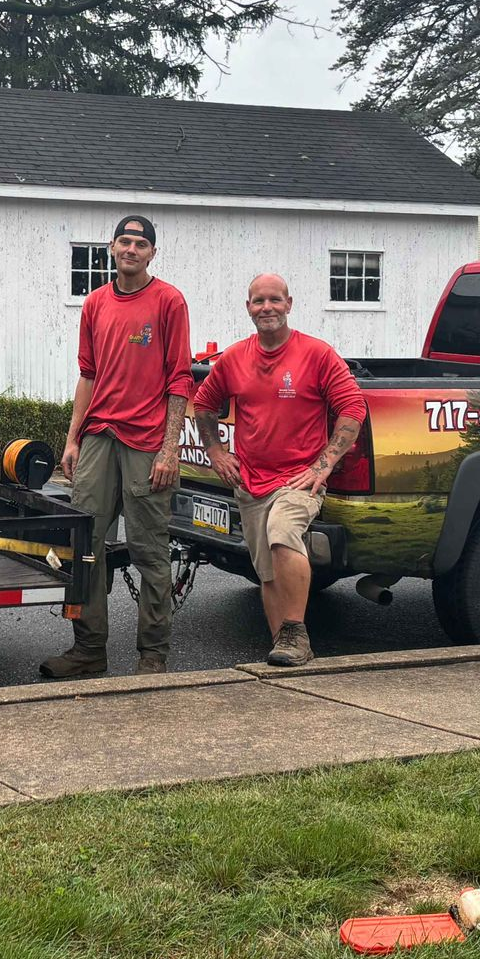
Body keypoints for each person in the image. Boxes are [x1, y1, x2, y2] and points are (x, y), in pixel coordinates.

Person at [43, 214, 193, 679]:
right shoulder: (95, 304)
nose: (131, 249)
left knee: (150, 552)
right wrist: (72, 439)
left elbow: (181, 379)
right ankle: (89, 650)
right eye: (123, 241)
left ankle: (153, 655)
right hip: (97, 438)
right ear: (111, 247)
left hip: (147, 443)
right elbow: (88, 374)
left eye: (140, 243)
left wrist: (171, 450)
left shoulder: (169, 301)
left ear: (152, 253)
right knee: (84, 544)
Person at [193, 273, 367, 667]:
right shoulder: (235, 358)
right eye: (258, 301)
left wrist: (324, 463)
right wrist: (217, 453)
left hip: (297, 479)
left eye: (274, 300)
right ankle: (284, 649)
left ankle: (296, 632)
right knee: (267, 573)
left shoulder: (317, 354)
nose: (266, 307)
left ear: (289, 304)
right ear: (248, 307)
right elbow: (204, 403)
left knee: (282, 533)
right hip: (250, 482)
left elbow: (353, 408)